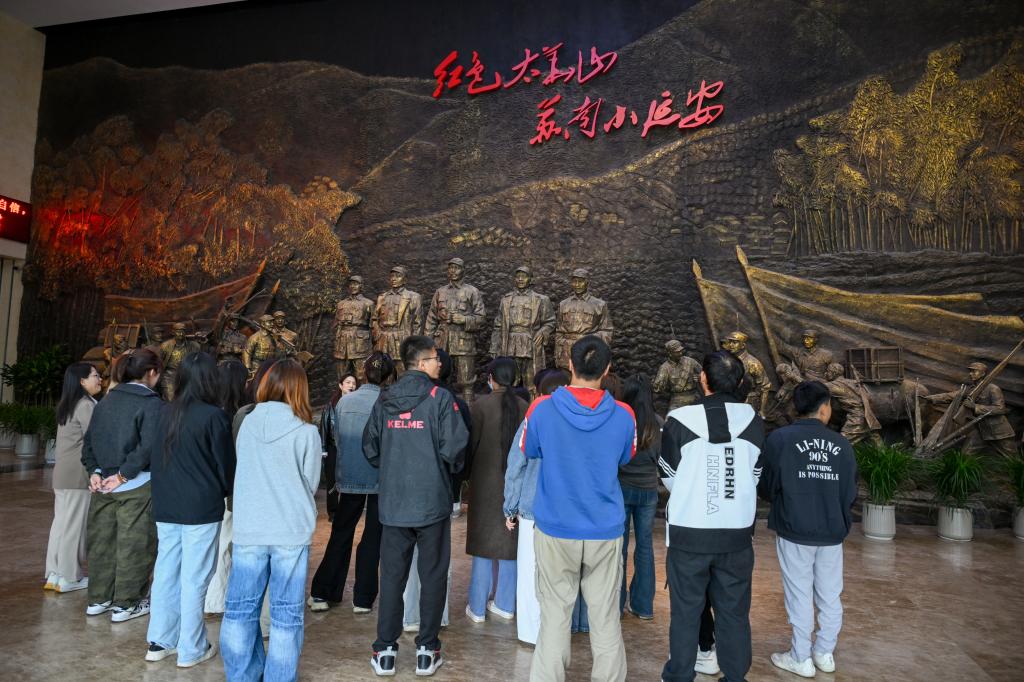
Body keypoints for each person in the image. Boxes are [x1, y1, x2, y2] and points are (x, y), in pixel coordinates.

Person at [522, 335, 636, 682]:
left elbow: (530, 449)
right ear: (607, 369)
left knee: (555, 616)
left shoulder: (540, 408)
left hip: (555, 527)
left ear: (569, 364)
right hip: (604, 528)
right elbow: (625, 457)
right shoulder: (624, 415)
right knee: (605, 618)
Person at [364, 335, 469, 677]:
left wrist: (394, 466)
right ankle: (427, 649)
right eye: (436, 358)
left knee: (392, 577)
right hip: (431, 503)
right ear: (422, 363)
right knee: (433, 575)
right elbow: (455, 449)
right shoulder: (441, 398)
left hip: (394, 504)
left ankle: (385, 651)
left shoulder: (385, 398)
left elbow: (370, 447)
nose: (440, 363)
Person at [658, 350, 765, 682]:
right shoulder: (754, 422)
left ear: (703, 378)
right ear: (740, 381)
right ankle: (735, 676)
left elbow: (668, 477)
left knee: (686, 613)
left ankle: (679, 675)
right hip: (736, 535)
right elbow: (755, 475)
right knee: (734, 613)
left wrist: (698, 491)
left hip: (689, 534)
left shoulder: (679, 420)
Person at [220, 359, 322, 682]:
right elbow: (311, 483)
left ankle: (243, 675)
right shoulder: (307, 431)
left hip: (250, 527)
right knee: (286, 613)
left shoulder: (246, 423)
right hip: (290, 530)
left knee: (240, 609)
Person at [759, 381, 858, 677]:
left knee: (799, 593)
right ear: (825, 408)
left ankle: (800, 656)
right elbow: (850, 492)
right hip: (831, 532)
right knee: (830, 594)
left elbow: (766, 485)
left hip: (794, 528)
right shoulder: (842, 445)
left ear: (796, 407)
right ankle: (824, 653)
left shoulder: (779, 439)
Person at [146, 352, 235, 667]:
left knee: (166, 572)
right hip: (200, 507)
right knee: (195, 578)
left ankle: (160, 641)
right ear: (211, 380)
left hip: (166, 504)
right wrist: (229, 491)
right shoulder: (214, 416)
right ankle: (191, 648)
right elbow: (225, 466)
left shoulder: (164, 412)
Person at [308, 354, 395, 612]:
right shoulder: (389, 403)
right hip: (380, 478)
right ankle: (363, 599)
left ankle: (323, 593)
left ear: (364, 373)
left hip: (350, 477)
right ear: (390, 376)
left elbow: (337, 439)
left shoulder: (345, 402)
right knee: (373, 537)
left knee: (341, 533)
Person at [81, 348, 163, 622]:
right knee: (135, 544)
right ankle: (127, 604)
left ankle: (98, 599)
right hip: (135, 484)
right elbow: (148, 446)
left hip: (102, 484)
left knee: (101, 542)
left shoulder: (106, 400)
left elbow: (89, 442)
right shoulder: (152, 403)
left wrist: (94, 471)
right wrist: (123, 475)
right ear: (151, 373)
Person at [403, 348, 471, 631]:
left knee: (409, 557)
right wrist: (455, 482)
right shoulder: (454, 403)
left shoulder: (401, 398)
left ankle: (410, 616)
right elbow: (461, 451)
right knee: (437, 559)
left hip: (405, 489)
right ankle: (436, 617)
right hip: (441, 491)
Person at [503, 369, 569, 645]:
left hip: (532, 507)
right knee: (562, 575)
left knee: (530, 572)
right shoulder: (578, 420)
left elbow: (516, 465)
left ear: (540, 394)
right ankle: (557, 633)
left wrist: (510, 507)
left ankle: (531, 633)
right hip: (567, 510)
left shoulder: (533, 419)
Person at [465, 357, 528, 622]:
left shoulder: (480, 406)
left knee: (483, 544)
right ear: (515, 379)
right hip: (516, 485)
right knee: (510, 544)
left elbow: (469, 448)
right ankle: (504, 604)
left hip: (484, 485)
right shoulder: (526, 407)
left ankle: (477, 607)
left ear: (490, 379)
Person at [45, 362, 103, 593]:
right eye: (95, 375)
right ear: (82, 381)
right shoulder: (85, 405)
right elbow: (95, 439)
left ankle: (54, 573)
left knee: (60, 525)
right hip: (78, 474)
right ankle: (69, 576)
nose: (100, 379)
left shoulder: (68, 404)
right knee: (74, 528)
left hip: (62, 474)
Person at [205, 357, 249, 615]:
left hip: (210, 487)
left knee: (215, 543)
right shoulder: (240, 415)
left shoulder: (210, 410)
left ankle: (212, 597)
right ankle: (217, 599)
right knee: (226, 542)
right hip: (231, 488)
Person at [618, 373, 662, 621]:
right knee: (645, 546)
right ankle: (643, 606)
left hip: (622, 488)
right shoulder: (658, 423)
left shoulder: (622, 420)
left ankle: (616, 604)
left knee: (620, 547)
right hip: (648, 491)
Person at [321, 373, 358, 521]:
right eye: (348, 382)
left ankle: (347, 510)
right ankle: (333, 511)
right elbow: (324, 428)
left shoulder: (357, 406)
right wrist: (323, 449)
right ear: (340, 386)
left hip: (350, 448)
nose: (351, 385)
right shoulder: (330, 406)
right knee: (333, 480)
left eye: (353, 383)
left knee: (349, 479)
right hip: (333, 448)